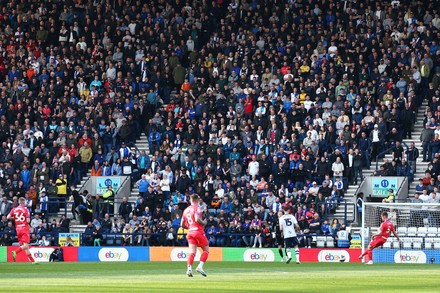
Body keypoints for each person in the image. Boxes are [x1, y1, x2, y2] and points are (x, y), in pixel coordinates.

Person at [181, 193, 209, 277]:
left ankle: (189, 269)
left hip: (190, 232)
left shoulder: (185, 210)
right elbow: (197, 219)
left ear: (190, 200)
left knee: (192, 252)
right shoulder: (197, 208)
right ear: (197, 200)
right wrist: (204, 223)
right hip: (198, 231)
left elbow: (182, 224)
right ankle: (200, 266)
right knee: (206, 250)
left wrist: (190, 227)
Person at [7, 197, 35, 263]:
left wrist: (15, 218)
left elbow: (8, 217)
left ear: (19, 202)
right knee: (26, 245)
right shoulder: (25, 209)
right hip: (24, 228)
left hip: (18, 229)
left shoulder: (14, 209)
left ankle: (33, 261)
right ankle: (15, 252)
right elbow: (28, 221)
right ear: (24, 202)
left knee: (26, 246)